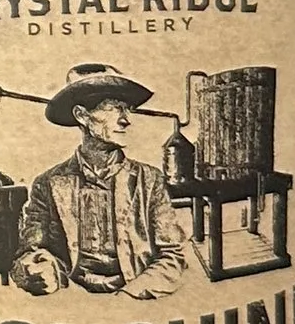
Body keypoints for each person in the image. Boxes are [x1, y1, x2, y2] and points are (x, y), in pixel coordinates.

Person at [10, 64, 193, 298]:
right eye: (113, 109)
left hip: (137, 300)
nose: (126, 120)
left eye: (128, 110)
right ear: (81, 116)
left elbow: (174, 257)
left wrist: (129, 295)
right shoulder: (49, 183)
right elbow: (29, 253)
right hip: (71, 299)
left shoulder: (149, 180)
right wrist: (35, 270)